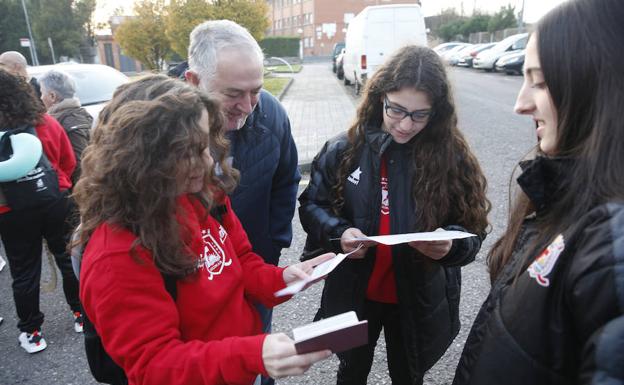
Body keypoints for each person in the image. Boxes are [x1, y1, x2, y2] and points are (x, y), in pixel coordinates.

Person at [75, 76, 333, 385]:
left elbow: (240, 262)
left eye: (207, 145)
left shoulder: (203, 194)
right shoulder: (117, 254)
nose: (208, 160)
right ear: (143, 159)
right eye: (191, 150)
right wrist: (252, 355)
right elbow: (155, 366)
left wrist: (283, 279)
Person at [452, 0, 624, 384]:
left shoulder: (611, 241)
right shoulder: (565, 192)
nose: (520, 103)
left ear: (599, 83)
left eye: (541, 82)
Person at [298, 45, 491, 385]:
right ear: (379, 97)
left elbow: (474, 229)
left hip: (417, 299)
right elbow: (313, 205)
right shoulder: (345, 148)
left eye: (420, 115)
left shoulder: (452, 157)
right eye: (396, 110)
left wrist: (451, 247)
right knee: (351, 369)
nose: (405, 124)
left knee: (408, 374)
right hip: (355, 294)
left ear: (437, 112)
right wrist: (339, 233)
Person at [185, 20, 301, 384]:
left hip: (254, 268)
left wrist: (272, 252)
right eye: (234, 94)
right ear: (193, 81)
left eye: (257, 90)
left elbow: (286, 182)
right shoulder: (159, 134)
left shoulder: (271, 114)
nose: (249, 106)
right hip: (194, 286)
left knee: (257, 352)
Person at [0, 69, 80, 353]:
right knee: (66, 256)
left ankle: (32, 333)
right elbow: (68, 161)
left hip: (10, 209)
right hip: (54, 198)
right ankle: (81, 314)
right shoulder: (44, 121)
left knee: (24, 270)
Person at [39, 69, 92, 185]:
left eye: (42, 92)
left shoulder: (71, 121)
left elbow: (80, 166)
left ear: (52, 96)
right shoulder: (77, 114)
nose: (41, 97)